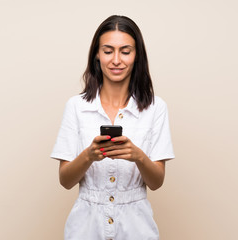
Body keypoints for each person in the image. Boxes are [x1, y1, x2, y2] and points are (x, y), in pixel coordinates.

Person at [51, 15, 175, 240]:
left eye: (125, 51)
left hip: (137, 228)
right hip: (85, 228)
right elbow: (65, 181)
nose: (116, 60)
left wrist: (137, 156)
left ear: (137, 56)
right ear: (97, 55)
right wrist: (89, 155)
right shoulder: (76, 107)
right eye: (108, 51)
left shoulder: (156, 108)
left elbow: (156, 182)